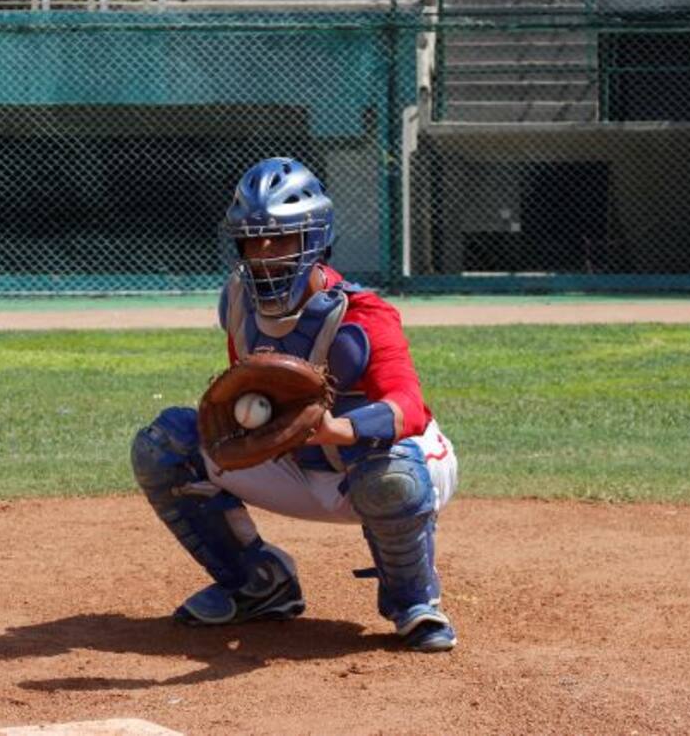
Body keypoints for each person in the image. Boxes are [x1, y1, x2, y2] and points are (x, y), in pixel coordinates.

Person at [130, 157, 460, 652]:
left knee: (389, 474)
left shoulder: (362, 315)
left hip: (385, 464)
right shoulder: (238, 302)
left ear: (315, 240)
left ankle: (414, 601)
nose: (263, 254)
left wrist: (338, 430)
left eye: (281, 239)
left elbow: (409, 408)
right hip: (296, 465)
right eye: (252, 240)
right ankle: (258, 585)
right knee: (165, 445)